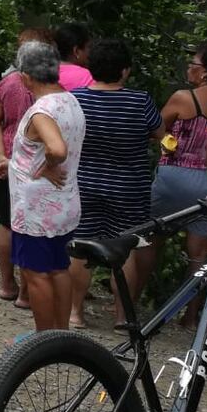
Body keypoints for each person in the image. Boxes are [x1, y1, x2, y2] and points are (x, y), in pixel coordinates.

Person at [68, 37, 163, 329]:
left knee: (79, 248)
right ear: (124, 71)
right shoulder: (140, 100)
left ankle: (75, 314)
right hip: (128, 188)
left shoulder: (75, 99)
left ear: (91, 67)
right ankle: (122, 316)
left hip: (84, 183)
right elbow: (162, 136)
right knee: (127, 248)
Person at [2, 40, 85, 332]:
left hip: (36, 210)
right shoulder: (70, 100)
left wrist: (49, 165)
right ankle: (60, 334)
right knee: (58, 268)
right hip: (63, 204)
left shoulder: (42, 110)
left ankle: (43, 338)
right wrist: (14, 163)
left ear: (25, 76)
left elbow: (57, 149)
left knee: (36, 274)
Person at [136, 42, 207, 325]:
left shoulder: (183, 98)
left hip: (174, 174)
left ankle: (130, 303)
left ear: (206, 72)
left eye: (193, 63)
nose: (188, 68)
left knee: (150, 240)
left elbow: (155, 128)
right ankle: (190, 316)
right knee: (199, 253)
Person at [0, 28, 57, 309]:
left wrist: (0, 155)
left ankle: (6, 284)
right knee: (34, 226)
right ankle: (27, 293)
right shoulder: (54, 87)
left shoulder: (8, 83)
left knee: (7, 222)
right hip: (41, 166)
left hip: (9, 162)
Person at [55, 22, 94, 90]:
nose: (90, 52)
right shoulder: (88, 77)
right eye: (88, 47)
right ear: (76, 51)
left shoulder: (42, 74)